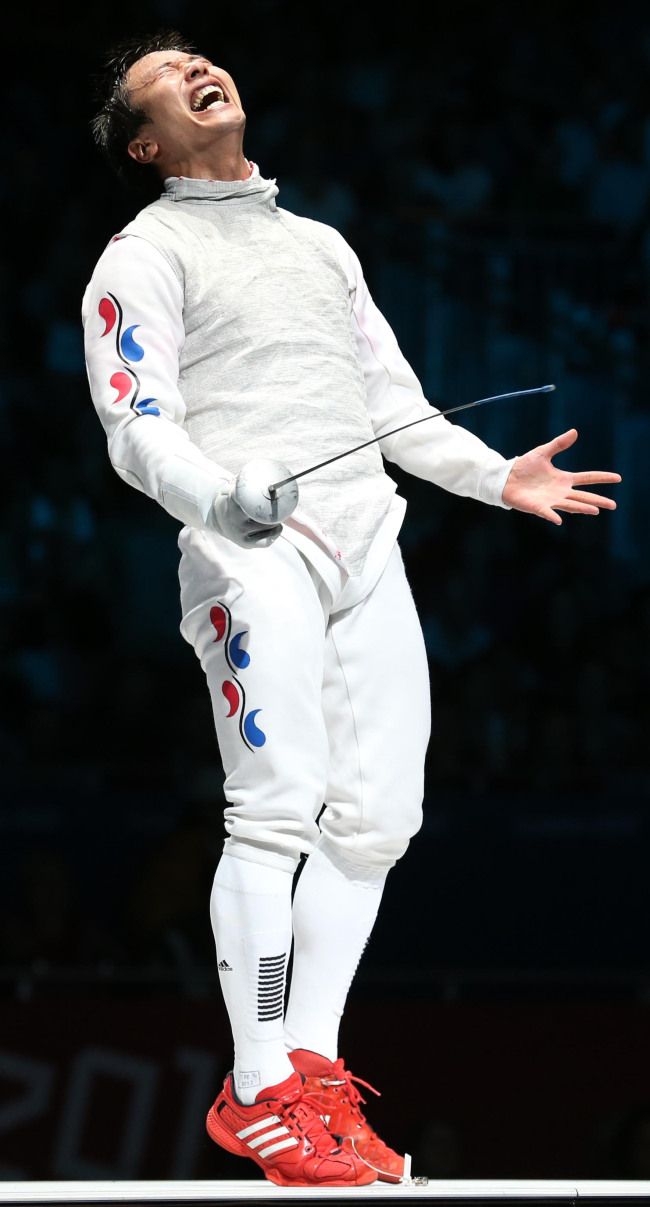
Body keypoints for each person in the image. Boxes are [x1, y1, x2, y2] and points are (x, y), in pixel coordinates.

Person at [83, 31, 620, 1188]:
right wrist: (223, 494)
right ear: (145, 140)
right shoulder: (142, 254)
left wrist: (494, 476)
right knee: (273, 810)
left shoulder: (319, 245)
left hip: (364, 543)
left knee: (377, 818)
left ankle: (312, 1067)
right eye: (165, 80)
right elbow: (137, 423)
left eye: (201, 59)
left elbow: (390, 404)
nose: (197, 72)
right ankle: (258, 1084)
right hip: (250, 554)